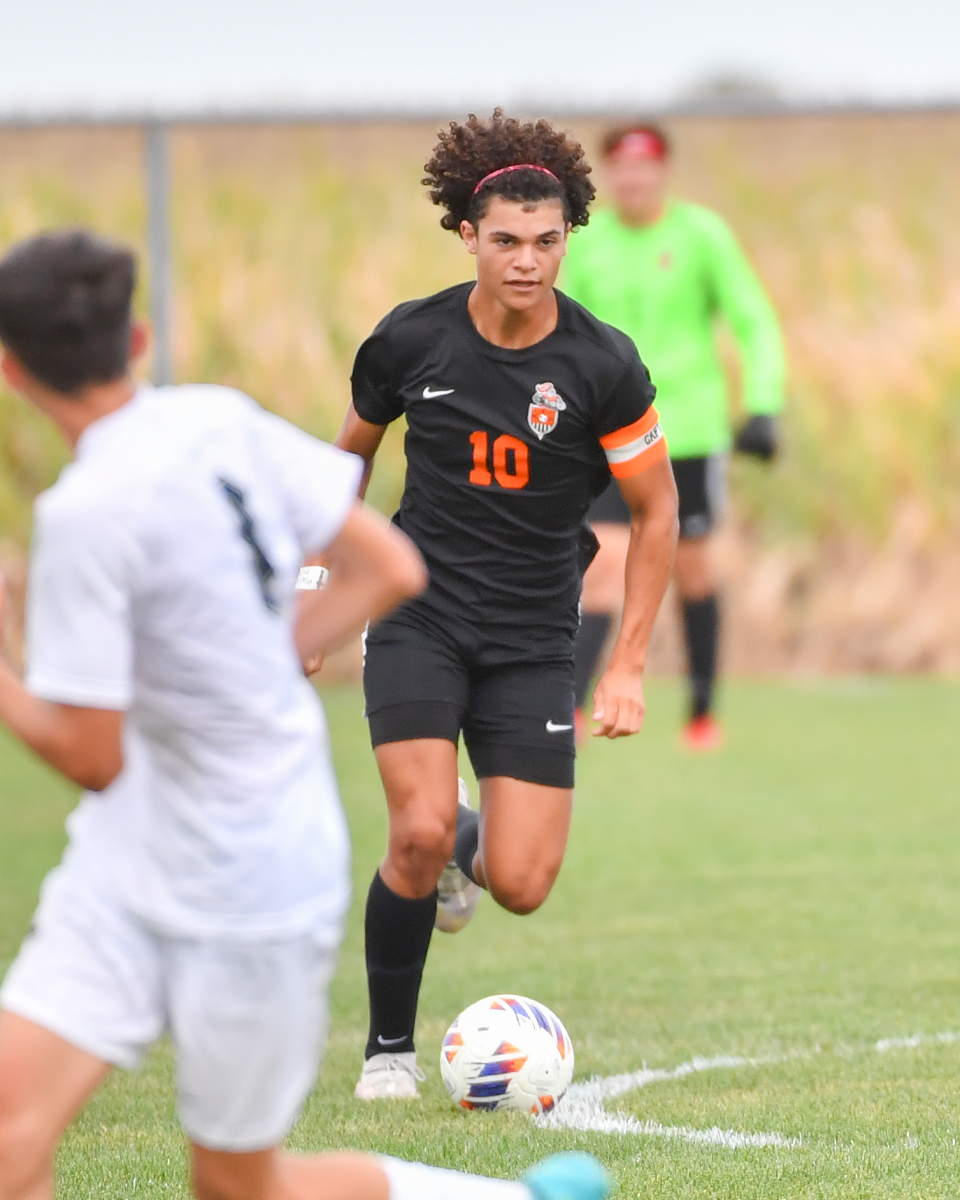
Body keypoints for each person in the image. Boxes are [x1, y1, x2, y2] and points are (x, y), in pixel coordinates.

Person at [0, 230, 610, 1200]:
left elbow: (91, 752)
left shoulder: (83, 516)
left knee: (240, 1184)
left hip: (244, 883)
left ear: (10, 367)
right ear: (140, 338)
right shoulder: (217, 421)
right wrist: (287, 634)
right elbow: (387, 564)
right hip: (123, 871)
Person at [335, 110, 679, 1101]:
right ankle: (389, 1053)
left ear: (568, 236)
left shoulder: (602, 365)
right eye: (507, 243)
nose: (527, 262)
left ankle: (462, 848)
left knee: (522, 887)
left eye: (547, 242)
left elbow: (658, 515)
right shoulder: (411, 338)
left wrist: (626, 664)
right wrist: (320, 586)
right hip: (418, 616)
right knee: (414, 828)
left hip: (534, 637)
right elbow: (342, 465)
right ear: (467, 238)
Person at [562, 123, 786, 750]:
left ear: (662, 173)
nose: (634, 178)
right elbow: (561, 336)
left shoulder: (700, 236)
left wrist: (764, 405)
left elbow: (753, 319)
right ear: (609, 175)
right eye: (622, 168)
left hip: (687, 434)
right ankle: (574, 708)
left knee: (689, 569)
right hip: (608, 436)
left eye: (646, 167)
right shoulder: (588, 245)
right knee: (602, 566)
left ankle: (702, 711)